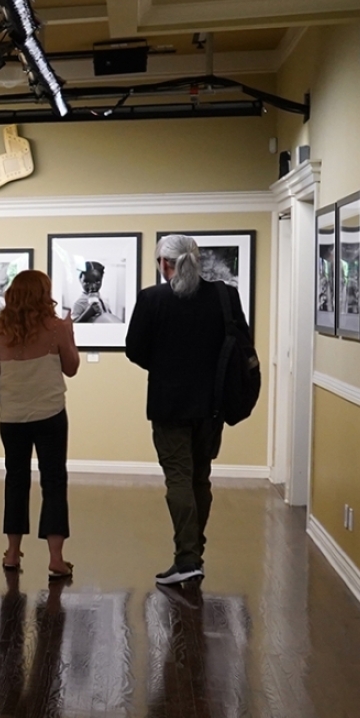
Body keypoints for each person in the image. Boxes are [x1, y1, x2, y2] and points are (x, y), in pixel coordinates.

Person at [126, 234, 253, 586]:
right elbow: (242, 344)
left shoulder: (153, 299)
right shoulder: (225, 296)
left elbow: (134, 349)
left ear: (165, 264)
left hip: (169, 405)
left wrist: (165, 365)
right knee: (200, 476)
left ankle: (187, 558)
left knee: (178, 478)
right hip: (212, 404)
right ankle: (193, 553)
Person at [0, 270, 79, 577]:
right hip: (50, 414)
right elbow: (72, 368)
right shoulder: (56, 328)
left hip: (11, 417)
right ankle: (55, 558)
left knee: (16, 479)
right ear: (43, 294)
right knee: (53, 481)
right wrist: (69, 334)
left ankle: (12, 553)